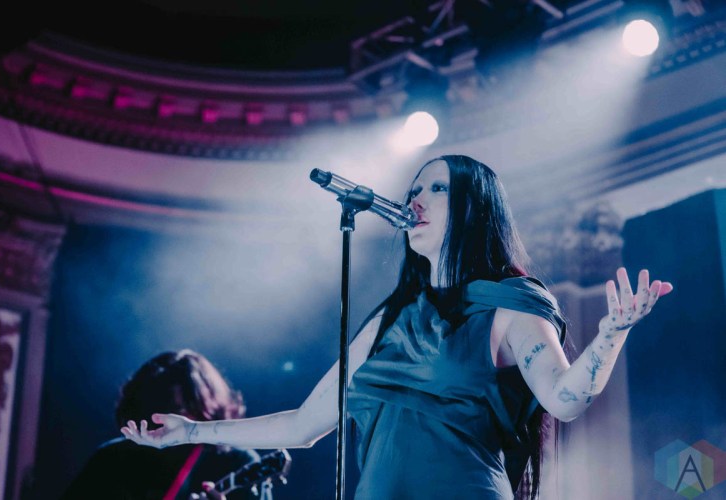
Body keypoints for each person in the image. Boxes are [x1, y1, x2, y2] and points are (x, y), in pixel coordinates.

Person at [122, 155, 673, 499]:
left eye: (437, 188)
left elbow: (564, 399)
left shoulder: (509, 303)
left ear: (476, 207)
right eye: (414, 188)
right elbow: (303, 424)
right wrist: (190, 433)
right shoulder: (389, 320)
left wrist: (611, 334)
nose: (416, 199)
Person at [64, 349, 272, 500]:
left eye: (180, 411)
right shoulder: (111, 458)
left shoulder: (238, 463)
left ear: (206, 408)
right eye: (158, 410)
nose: (168, 422)